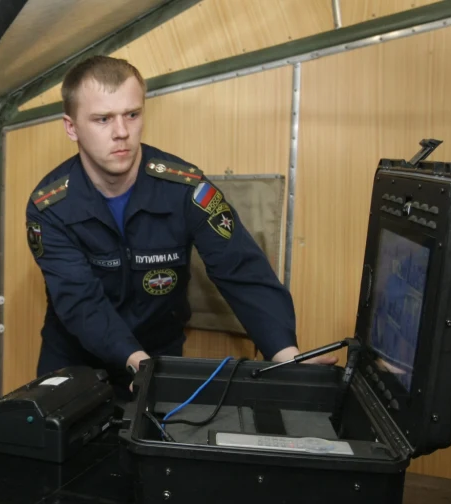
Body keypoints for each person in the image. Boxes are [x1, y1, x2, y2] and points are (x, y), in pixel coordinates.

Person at [26, 55, 334, 392]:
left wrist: (287, 355)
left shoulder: (186, 189)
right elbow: (81, 301)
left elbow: (241, 269)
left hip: (157, 354)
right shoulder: (50, 207)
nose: (122, 132)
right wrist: (136, 362)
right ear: (71, 127)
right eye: (103, 119)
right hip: (75, 359)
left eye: (132, 114)